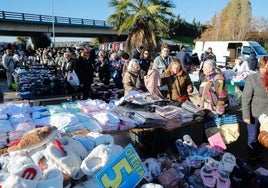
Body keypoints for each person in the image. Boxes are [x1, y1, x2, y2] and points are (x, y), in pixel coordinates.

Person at [242, 56, 268, 164]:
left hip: (266, 115)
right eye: (263, 67)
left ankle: (257, 155)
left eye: (267, 67)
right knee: (253, 137)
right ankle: (252, 158)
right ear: (259, 67)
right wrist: (246, 116)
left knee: (264, 137)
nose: (265, 70)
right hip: (254, 114)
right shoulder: (252, 78)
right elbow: (246, 98)